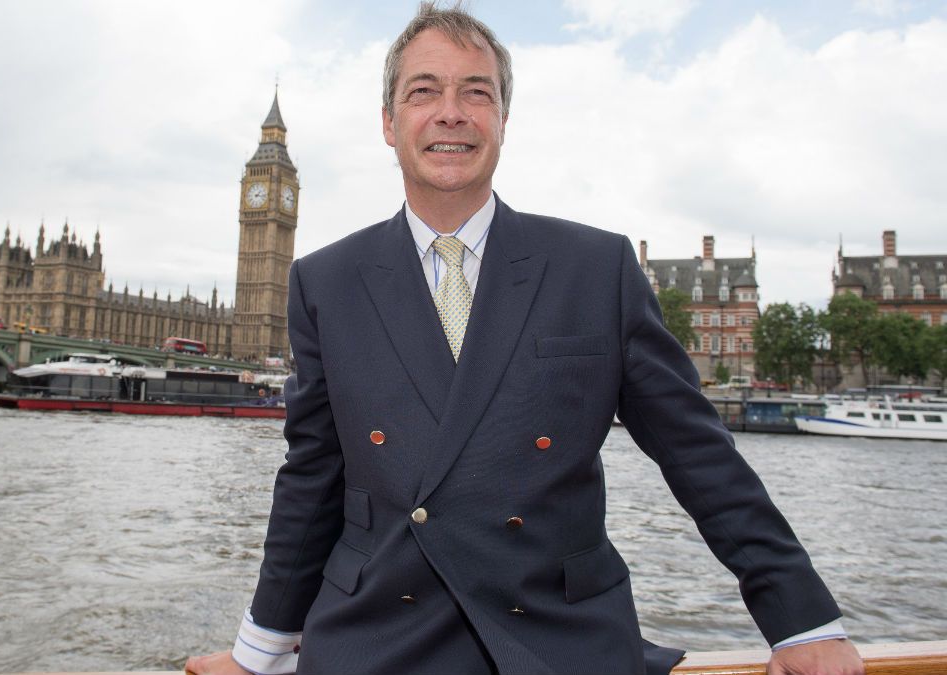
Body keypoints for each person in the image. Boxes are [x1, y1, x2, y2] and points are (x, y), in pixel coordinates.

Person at [187, 3, 864, 674]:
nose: (451, 111)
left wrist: (802, 621)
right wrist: (260, 651)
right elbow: (310, 482)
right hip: (376, 641)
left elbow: (699, 455)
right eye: (424, 91)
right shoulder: (324, 283)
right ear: (389, 124)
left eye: (475, 92)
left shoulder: (596, 269)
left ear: (502, 121)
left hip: (556, 639)